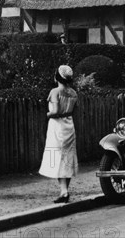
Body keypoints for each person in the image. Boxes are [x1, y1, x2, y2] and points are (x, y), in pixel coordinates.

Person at [39, 65, 79, 203]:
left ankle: (64, 191)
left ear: (56, 77)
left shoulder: (55, 91)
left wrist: (47, 114)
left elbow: (55, 111)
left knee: (57, 157)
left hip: (57, 125)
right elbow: (75, 110)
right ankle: (64, 190)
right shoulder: (73, 93)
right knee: (67, 157)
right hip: (69, 125)